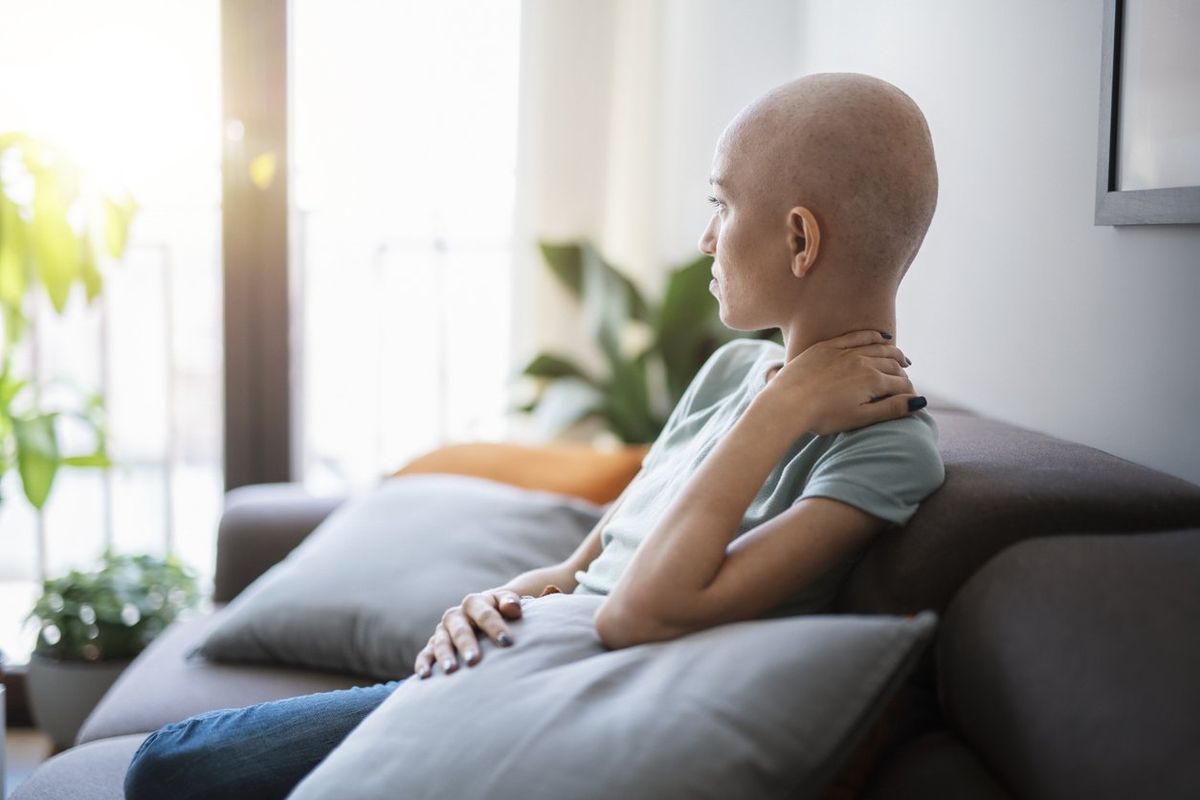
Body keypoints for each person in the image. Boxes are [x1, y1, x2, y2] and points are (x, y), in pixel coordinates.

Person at [123, 71, 944, 800]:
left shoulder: (886, 446)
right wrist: (505, 597)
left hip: (577, 687)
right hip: (527, 651)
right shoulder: (732, 371)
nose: (705, 237)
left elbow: (639, 613)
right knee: (167, 765)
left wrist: (779, 412)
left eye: (722, 205)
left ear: (799, 239)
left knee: (172, 768)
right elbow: (596, 562)